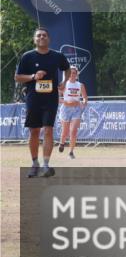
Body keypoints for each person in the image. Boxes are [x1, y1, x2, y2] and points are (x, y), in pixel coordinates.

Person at [14, 27, 70, 178]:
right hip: (33, 99)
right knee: (34, 131)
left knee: (48, 129)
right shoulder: (27, 56)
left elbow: (67, 69)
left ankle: (46, 165)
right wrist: (33, 76)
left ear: (48, 39)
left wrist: (64, 83)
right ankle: (34, 163)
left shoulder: (57, 56)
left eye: (44, 35)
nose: (41, 38)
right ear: (34, 39)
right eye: (38, 36)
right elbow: (17, 77)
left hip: (50, 99)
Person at [57, 65, 88, 159]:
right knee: (65, 132)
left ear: (77, 74)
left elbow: (85, 98)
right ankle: (62, 143)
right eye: (70, 73)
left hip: (76, 109)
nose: (72, 74)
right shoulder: (64, 84)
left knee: (73, 131)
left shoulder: (80, 85)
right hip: (65, 109)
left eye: (74, 73)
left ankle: (71, 152)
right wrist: (65, 101)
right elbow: (56, 98)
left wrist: (83, 103)